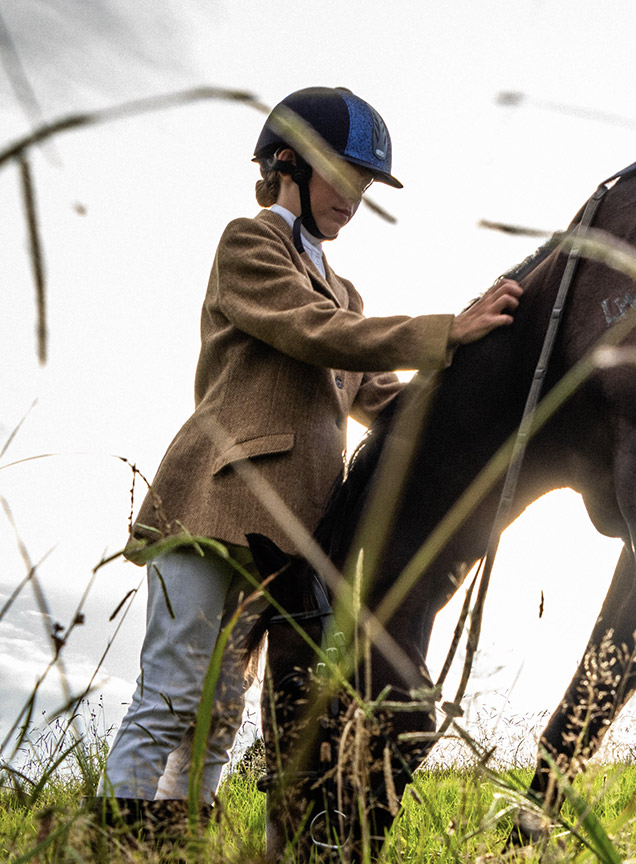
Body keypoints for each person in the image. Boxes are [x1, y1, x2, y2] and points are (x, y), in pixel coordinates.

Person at [91, 86, 522, 842]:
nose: (355, 197)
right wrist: (444, 330)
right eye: (344, 174)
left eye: (365, 185)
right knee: (169, 696)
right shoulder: (248, 244)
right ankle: (120, 847)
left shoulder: (347, 291)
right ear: (288, 161)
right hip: (214, 501)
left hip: (289, 540)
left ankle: (175, 843)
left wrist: (483, 393)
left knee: (222, 716)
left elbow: (382, 398)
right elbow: (313, 332)